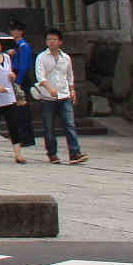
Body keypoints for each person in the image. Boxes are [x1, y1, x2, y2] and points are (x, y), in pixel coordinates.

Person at [35, 27, 87, 165]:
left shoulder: (66, 58)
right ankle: (52, 153)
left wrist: (72, 91)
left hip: (64, 95)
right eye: (49, 39)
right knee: (49, 127)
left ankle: (75, 153)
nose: (51, 42)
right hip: (48, 97)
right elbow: (40, 76)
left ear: (60, 42)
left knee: (70, 124)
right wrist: (49, 88)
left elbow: (69, 76)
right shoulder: (41, 57)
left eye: (54, 39)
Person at [6, 21, 39, 153]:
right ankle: (21, 135)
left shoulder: (23, 46)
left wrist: (18, 81)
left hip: (21, 76)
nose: (13, 32)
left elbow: (25, 65)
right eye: (12, 29)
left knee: (23, 108)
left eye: (15, 30)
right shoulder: (13, 46)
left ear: (21, 32)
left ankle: (27, 137)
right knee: (17, 109)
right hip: (14, 74)